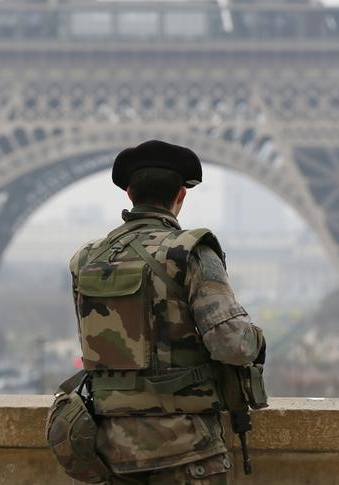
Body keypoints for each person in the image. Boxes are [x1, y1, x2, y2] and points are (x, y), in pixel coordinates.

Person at [69, 140, 266, 484]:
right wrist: (256, 337)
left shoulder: (86, 259)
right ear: (181, 194)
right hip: (187, 449)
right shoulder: (190, 253)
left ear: (129, 193)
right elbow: (233, 345)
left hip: (109, 449)